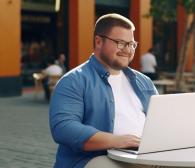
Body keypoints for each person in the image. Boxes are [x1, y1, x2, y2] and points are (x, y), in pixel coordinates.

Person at [49, 13, 158, 168]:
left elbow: (158, 122)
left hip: (144, 155)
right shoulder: (73, 81)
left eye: (132, 44)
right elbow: (63, 128)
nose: (128, 50)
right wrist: (120, 141)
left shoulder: (144, 82)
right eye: (120, 43)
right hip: (93, 159)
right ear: (98, 41)